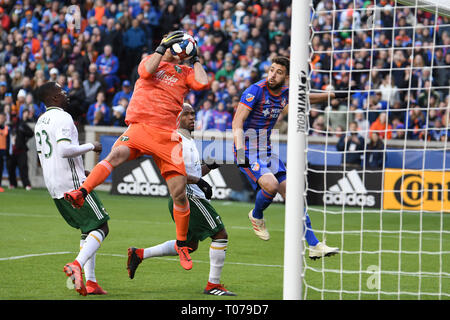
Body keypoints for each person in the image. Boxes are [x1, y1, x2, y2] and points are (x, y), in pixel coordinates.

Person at [64, 31, 210, 271]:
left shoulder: (185, 72)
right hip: (140, 126)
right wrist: (162, 47)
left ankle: (182, 244)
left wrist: (195, 58)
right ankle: (81, 192)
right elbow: (144, 72)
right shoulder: (150, 61)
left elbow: (203, 83)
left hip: (167, 135)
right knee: (115, 155)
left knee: (179, 192)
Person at [232, 56, 340, 259]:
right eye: (271, 70)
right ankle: (256, 215)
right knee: (271, 186)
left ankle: (315, 245)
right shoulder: (255, 90)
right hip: (247, 149)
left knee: (293, 196)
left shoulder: (286, 93)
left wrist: (333, 95)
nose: (272, 75)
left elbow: (306, 98)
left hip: (266, 150)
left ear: (286, 77)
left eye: (278, 72)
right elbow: (237, 121)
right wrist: (239, 153)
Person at [127, 103, 236, 296]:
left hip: (189, 195)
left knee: (190, 246)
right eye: (187, 114)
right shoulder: (175, 141)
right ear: (177, 118)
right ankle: (213, 285)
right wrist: (200, 183)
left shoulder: (188, 140)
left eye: (194, 114)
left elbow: (192, 171)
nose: (192, 117)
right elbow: (175, 174)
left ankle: (139, 254)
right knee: (220, 235)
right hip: (187, 197)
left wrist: (210, 166)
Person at [35, 81, 110, 296]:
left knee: (87, 229)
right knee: (102, 227)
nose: (66, 94)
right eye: (62, 91)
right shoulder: (63, 117)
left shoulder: (40, 121)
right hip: (73, 184)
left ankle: (92, 281)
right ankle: (76, 264)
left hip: (54, 184)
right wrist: (91, 146)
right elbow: (65, 150)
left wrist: (81, 170)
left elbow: (48, 157)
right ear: (54, 98)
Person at [6, 111, 33, 190]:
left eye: (15, 116)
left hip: (21, 151)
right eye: (12, 116)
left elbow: (31, 133)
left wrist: (24, 140)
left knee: (23, 168)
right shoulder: (8, 126)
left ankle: (26, 185)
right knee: (10, 168)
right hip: (11, 151)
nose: (14, 118)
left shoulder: (22, 125)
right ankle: (12, 184)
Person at [0, 112, 7, 192]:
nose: (1, 119)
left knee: (1, 169)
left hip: (2, 152)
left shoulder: (6, 128)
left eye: (2, 118)